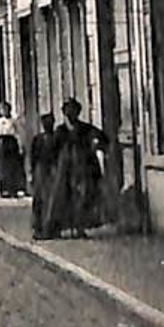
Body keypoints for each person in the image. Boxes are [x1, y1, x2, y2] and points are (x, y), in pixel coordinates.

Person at [46, 97, 106, 239]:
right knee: (62, 197)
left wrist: (95, 145)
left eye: (74, 111)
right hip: (65, 169)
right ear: (64, 114)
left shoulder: (85, 128)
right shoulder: (60, 131)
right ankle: (58, 228)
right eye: (68, 112)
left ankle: (80, 227)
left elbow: (102, 138)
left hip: (83, 167)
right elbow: (52, 150)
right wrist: (54, 165)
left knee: (83, 197)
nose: (71, 114)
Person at [28, 113, 61, 239]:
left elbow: (59, 155)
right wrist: (32, 173)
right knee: (39, 200)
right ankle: (39, 228)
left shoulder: (57, 138)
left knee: (53, 200)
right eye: (46, 124)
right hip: (41, 171)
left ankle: (52, 228)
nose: (48, 126)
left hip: (53, 171)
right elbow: (33, 157)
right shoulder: (38, 139)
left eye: (50, 123)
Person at [0, 103, 26, 198]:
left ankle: (13, 189)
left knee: (12, 168)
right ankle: (3, 190)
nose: (4, 111)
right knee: (2, 168)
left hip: (11, 143)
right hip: (2, 143)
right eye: (2, 110)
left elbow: (18, 133)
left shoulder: (14, 120)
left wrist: (20, 146)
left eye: (6, 109)